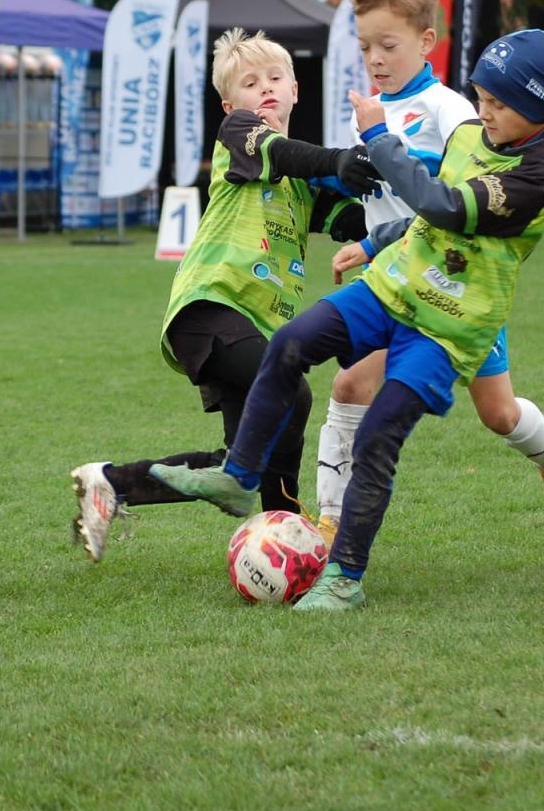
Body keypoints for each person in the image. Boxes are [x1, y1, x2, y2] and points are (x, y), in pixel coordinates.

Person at [152, 29, 544, 611]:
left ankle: (345, 577)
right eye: (482, 97)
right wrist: (376, 244)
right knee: (293, 344)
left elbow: (445, 207)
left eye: (500, 104)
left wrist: (377, 137)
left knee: (385, 435)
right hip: (393, 285)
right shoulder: (474, 134)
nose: (485, 112)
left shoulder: (540, 172)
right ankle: (239, 476)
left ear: (539, 106)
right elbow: (425, 220)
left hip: (450, 321)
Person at [69, 28, 377, 562]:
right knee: (293, 392)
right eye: (251, 83)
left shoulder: (301, 184)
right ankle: (287, 523)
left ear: (297, 88)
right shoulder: (239, 134)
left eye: (276, 78)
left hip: (250, 328)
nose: (266, 90)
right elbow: (286, 153)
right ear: (231, 102)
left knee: (239, 461)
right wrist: (337, 161)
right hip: (209, 308)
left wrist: (394, 207)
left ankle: (113, 483)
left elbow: (352, 218)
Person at [311, 0, 544, 549]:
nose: (375, 60)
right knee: (348, 387)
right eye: (365, 48)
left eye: (388, 46)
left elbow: (452, 206)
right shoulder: (368, 108)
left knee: (499, 414)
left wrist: (373, 239)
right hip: (398, 282)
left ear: (426, 42)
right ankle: (328, 524)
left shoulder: (454, 111)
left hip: (465, 290)